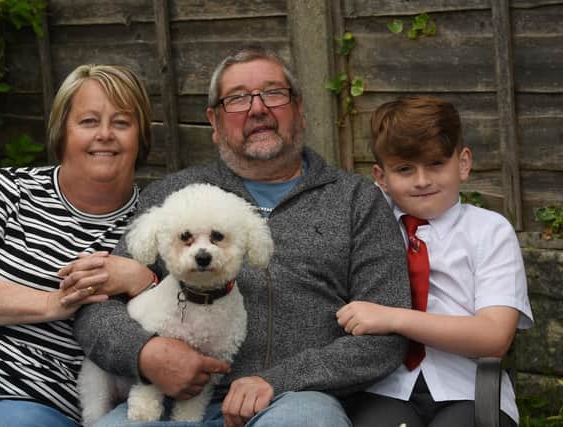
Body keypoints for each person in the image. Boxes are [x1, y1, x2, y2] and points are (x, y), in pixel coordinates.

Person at [74, 46, 411, 427]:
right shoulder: (177, 198)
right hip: (165, 400)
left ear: (299, 110)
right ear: (214, 122)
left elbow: (387, 335)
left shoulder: (354, 199)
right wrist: (145, 353)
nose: (257, 109)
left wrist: (278, 380)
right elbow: (96, 308)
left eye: (273, 93)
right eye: (237, 99)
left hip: (293, 401)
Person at [0, 64, 157, 427]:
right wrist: (52, 302)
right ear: (62, 131)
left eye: (122, 123)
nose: (105, 135)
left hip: (45, 397)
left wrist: (143, 281)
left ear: (140, 136)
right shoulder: (9, 189)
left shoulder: (154, 226)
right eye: (89, 121)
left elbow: (171, 319)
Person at [338, 95, 534, 427]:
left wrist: (394, 319)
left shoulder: (490, 231)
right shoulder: (369, 225)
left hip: (468, 388)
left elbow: (494, 337)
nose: (422, 180)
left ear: (463, 163)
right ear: (381, 177)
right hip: (385, 387)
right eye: (404, 169)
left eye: (436, 164)